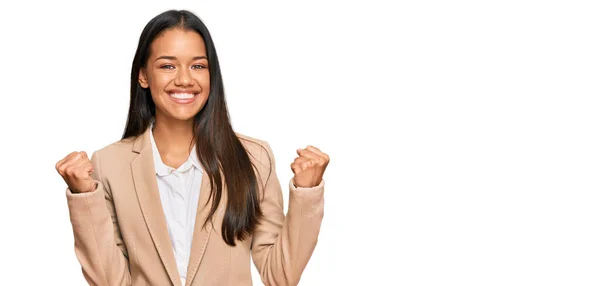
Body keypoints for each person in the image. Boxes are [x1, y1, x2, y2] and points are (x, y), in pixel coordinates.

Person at [55, 9, 329, 286]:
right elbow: (108, 281)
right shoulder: (109, 163)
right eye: (167, 66)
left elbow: (279, 276)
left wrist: (307, 194)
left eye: (198, 66)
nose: (185, 79)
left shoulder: (253, 158)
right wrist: (84, 197)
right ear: (143, 76)